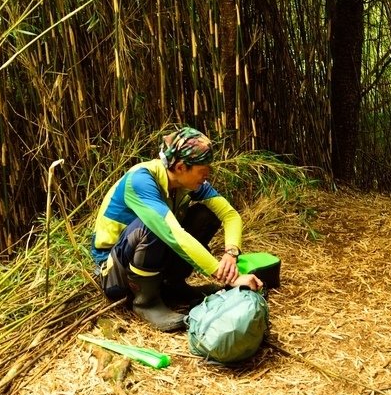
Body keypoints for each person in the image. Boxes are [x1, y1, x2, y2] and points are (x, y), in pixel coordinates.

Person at [90, 126, 263, 331]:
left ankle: (172, 286)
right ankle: (146, 301)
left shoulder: (187, 184)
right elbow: (173, 235)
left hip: (142, 256)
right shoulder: (140, 181)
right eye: (202, 171)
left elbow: (230, 215)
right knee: (151, 226)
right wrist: (225, 275)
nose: (206, 176)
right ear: (181, 167)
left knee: (205, 215)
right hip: (114, 272)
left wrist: (231, 253)